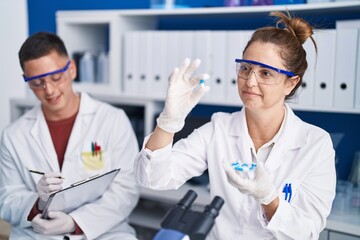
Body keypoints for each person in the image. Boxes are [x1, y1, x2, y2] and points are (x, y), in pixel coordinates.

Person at [134, 11, 336, 239]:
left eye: (266, 73)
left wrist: (269, 198)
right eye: (245, 68)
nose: (250, 81)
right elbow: (152, 178)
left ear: (291, 83)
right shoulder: (219, 128)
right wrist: (168, 122)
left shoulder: (315, 144)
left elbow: (307, 232)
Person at [0, 32, 140, 239]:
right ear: (26, 81)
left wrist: (75, 223)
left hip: (102, 232)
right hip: (37, 235)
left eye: (56, 77)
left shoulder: (112, 120)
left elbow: (126, 190)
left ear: (72, 69)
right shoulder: (14, 135)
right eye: (37, 82)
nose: (49, 90)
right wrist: (37, 205)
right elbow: (7, 199)